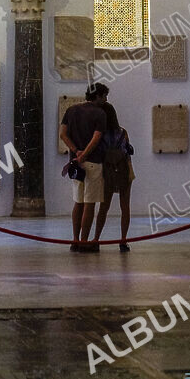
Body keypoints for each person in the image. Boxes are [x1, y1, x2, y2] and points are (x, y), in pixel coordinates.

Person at [59, 83, 108, 252]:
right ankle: (85, 242)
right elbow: (96, 138)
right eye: (104, 96)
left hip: (76, 163)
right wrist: (85, 153)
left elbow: (63, 134)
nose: (106, 100)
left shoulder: (71, 110)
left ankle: (74, 240)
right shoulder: (100, 113)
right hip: (93, 162)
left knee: (78, 202)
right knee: (89, 203)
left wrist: (76, 152)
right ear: (98, 96)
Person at [93, 99, 135, 252]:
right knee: (125, 207)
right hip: (123, 169)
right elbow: (128, 151)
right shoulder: (123, 132)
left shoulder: (100, 134)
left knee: (104, 207)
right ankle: (123, 240)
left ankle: (96, 238)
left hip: (107, 171)